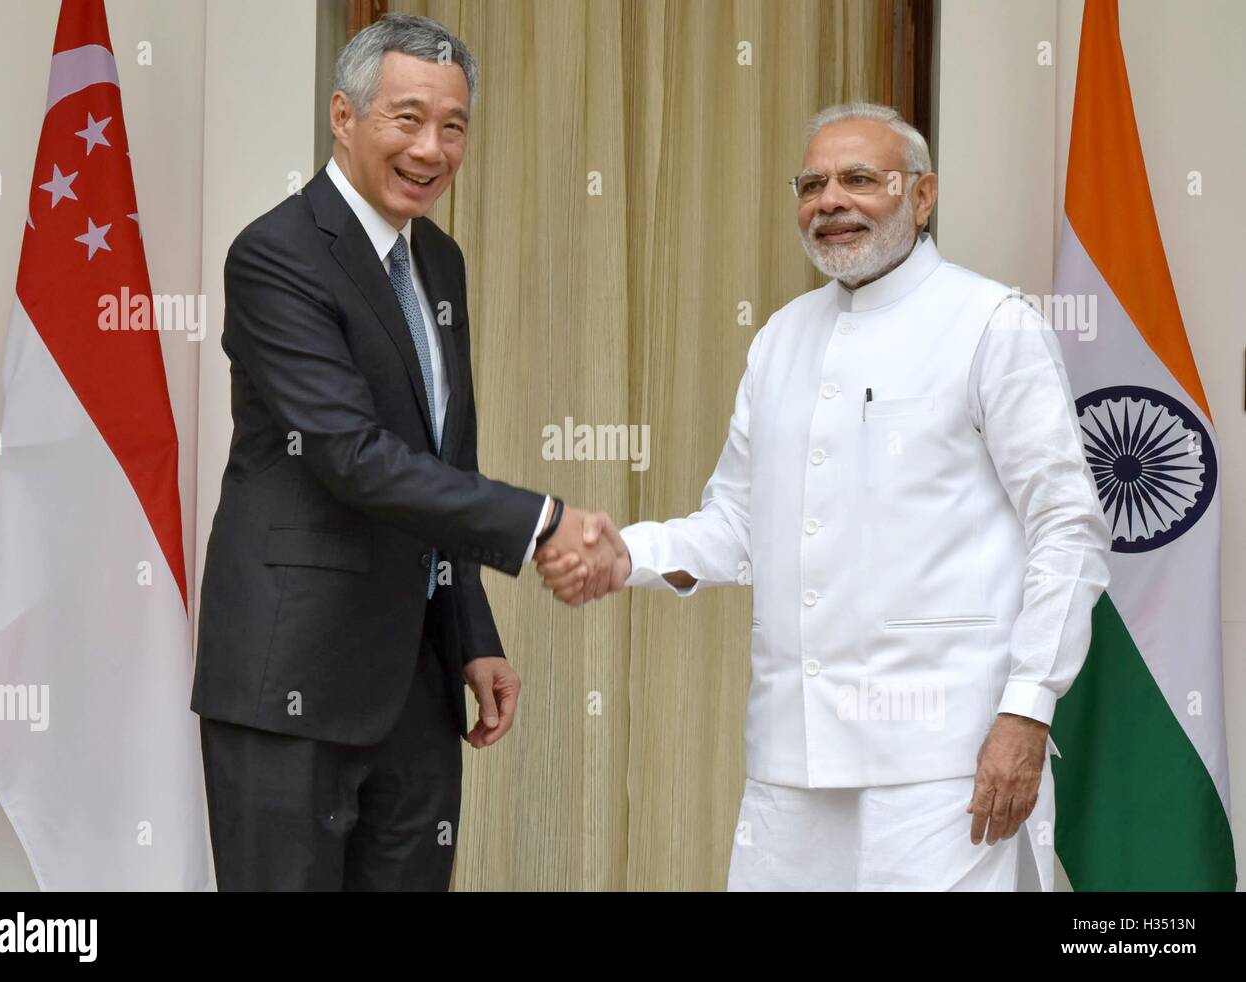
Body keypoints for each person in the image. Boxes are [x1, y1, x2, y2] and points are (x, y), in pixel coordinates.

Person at [539, 102, 1110, 891]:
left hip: (944, 763)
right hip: (791, 763)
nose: (830, 201)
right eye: (811, 184)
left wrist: (1026, 708)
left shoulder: (991, 323)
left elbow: (1068, 527)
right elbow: (738, 524)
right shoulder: (781, 337)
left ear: (922, 195)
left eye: (859, 179)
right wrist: (629, 554)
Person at [192, 14, 624, 891]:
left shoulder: (442, 262)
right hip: (292, 683)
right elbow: (351, 455)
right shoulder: (275, 256)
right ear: (343, 118)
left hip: (417, 688)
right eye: (408, 118)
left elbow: (445, 458)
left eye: (454, 125)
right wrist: (542, 522)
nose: (432, 148)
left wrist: (470, 630)